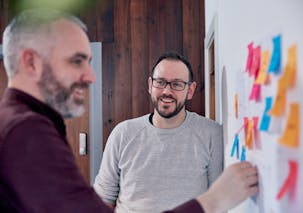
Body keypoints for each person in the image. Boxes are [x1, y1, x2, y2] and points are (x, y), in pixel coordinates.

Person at [0, 8, 258, 213]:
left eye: (177, 84)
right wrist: (213, 201)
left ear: (190, 90)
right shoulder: (26, 132)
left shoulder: (19, 123)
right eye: (77, 61)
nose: (91, 76)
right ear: (31, 62)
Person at [93, 51, 224, 213]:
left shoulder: (212, 134)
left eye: (177, 84)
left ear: (190, 90)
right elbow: (102, 198)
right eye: (160, 82)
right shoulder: (122, 134)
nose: (166, 91)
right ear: (150, 85)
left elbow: (217, 201)